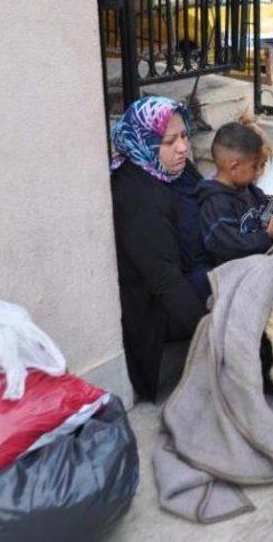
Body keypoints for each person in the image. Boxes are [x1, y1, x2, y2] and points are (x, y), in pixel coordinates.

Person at [110, 96, 208, 401]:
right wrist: (212, 339)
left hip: (193, 270)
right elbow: (166, 282)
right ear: (144, 141)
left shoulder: (172, 170)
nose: (183, 147)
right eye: (169, 141)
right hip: (163, 312)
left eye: (183, 136)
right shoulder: (139, 198)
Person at [198, 121, 273, 265]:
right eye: (254, 166)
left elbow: (269, 205)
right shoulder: (215, 205)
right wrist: (266, 236)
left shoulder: (245, 188)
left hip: (259, 260)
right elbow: (232, 248)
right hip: (238, 273)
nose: (258, 171)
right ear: (234, 167)